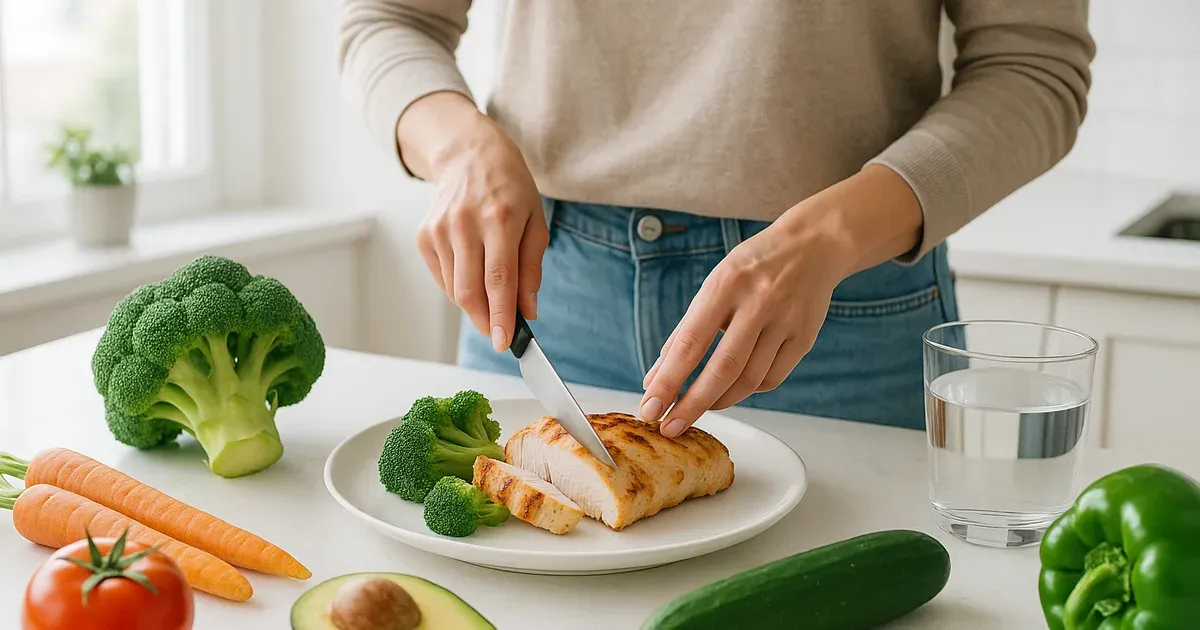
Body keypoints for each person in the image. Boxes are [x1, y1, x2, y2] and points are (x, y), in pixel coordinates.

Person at [338, 1, 1093, 437]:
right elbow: (388, 20)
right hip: (545, 298)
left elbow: (1034, 69)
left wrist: (828, 236)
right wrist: (460, 146)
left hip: (835, 312)